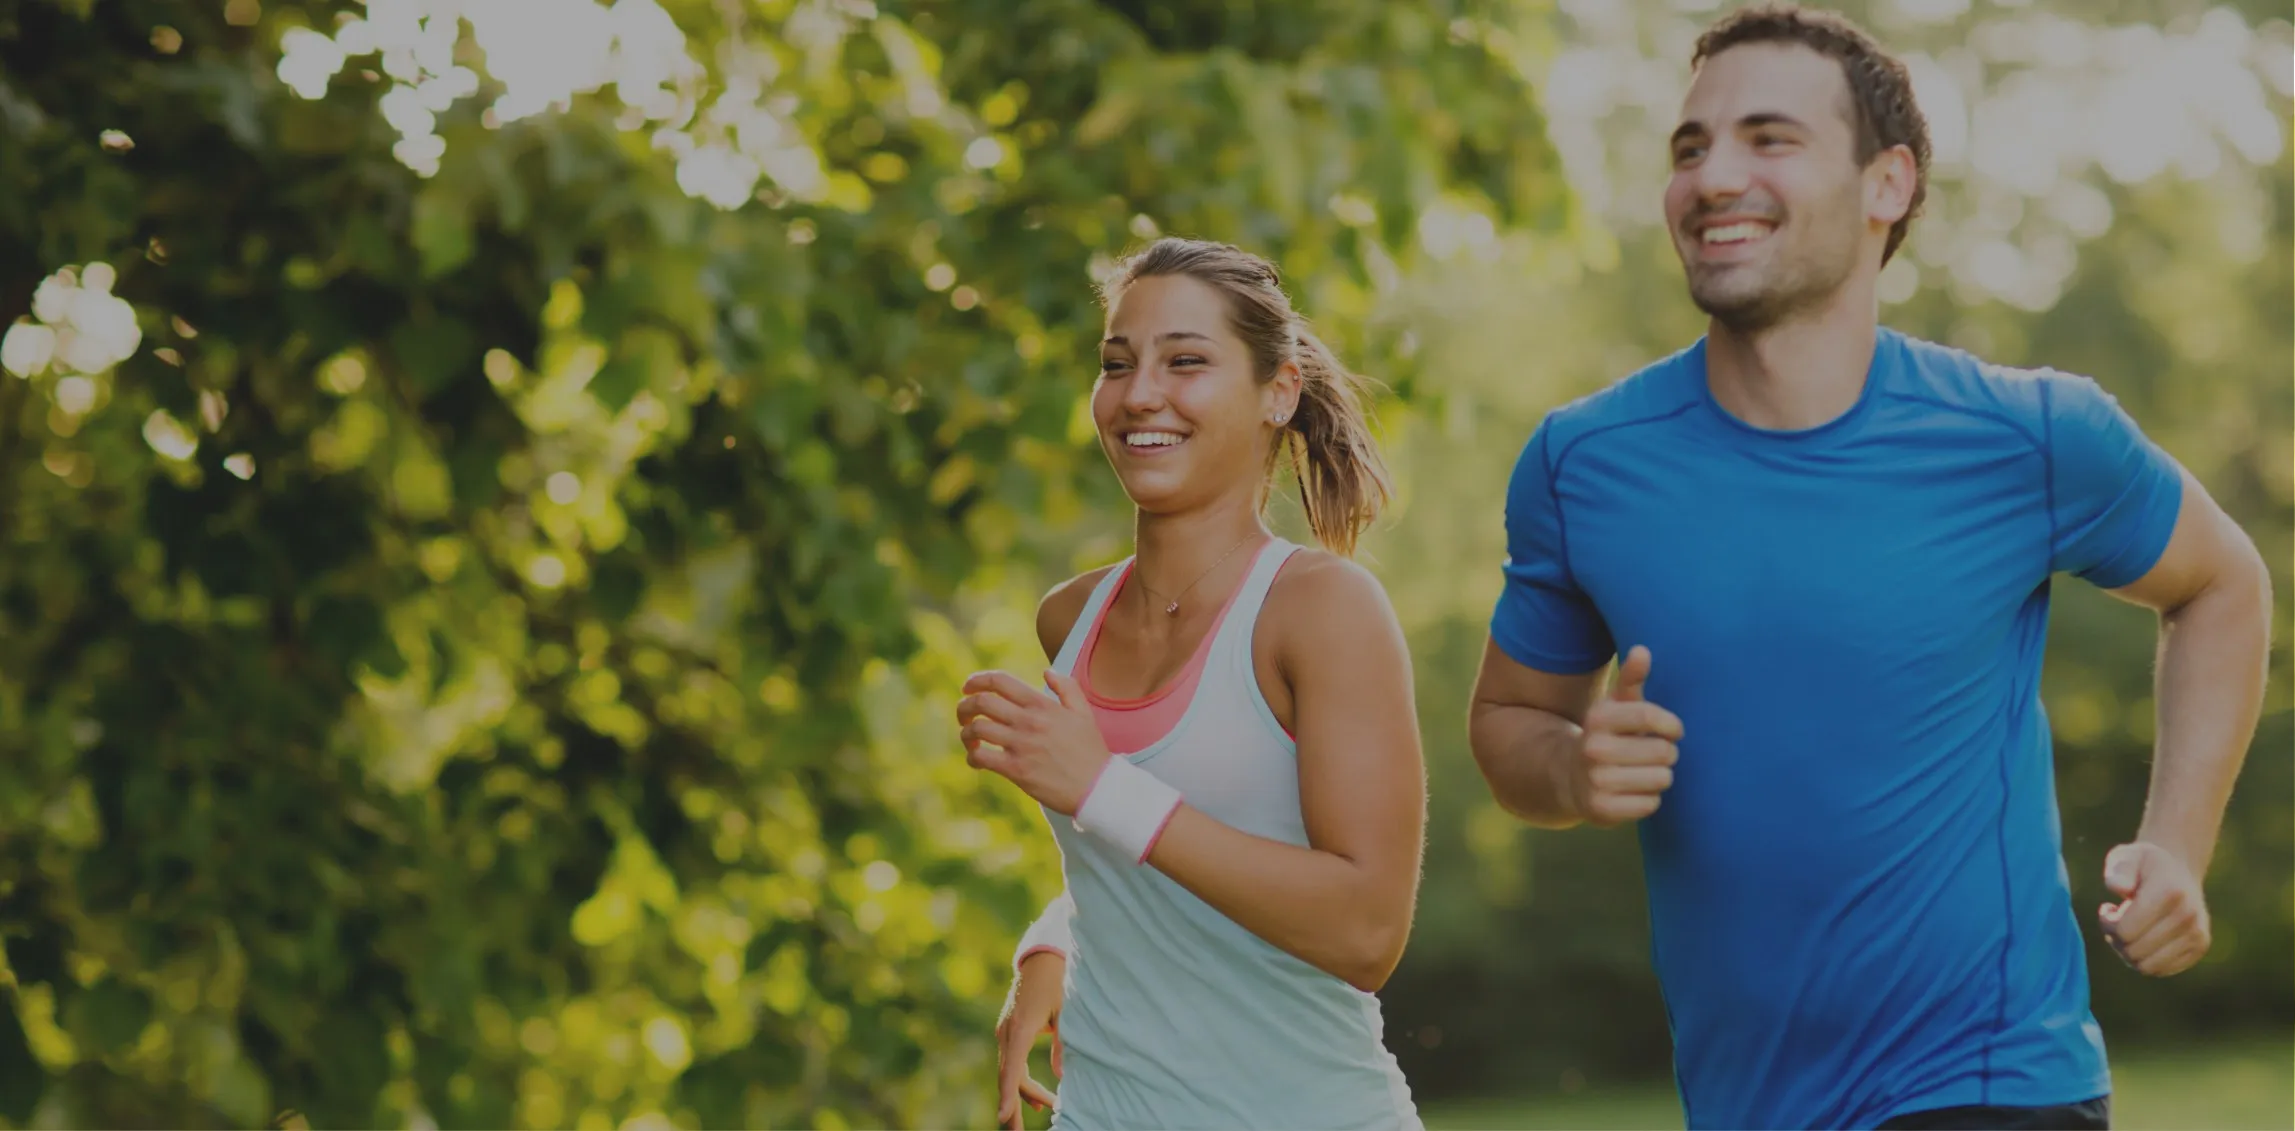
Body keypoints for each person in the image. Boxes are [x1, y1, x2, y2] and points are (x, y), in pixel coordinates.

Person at [1466, 5, 2273, 1130]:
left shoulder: (2030, 437)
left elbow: (2221, 583)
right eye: (1690, 148)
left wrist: (2178, 850)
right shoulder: (1582, 465)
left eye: (1768, 139)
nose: (1713, 176)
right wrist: (1570, 770)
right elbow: (1510, 721)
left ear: (1886, 184)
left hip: (1994, 1082)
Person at [956, 237, 1428, 1130]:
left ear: (1277, 392)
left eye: (1186, 362)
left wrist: (1099, 784)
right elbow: (1146, 858)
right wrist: (1049, 946)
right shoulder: (1071, 618)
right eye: (1116, 363)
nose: (1140, 394)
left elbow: (1365, 931)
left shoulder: (1321, 611)